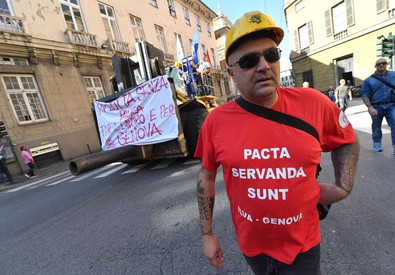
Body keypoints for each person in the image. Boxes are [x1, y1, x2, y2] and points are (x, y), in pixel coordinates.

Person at [195, 11, 359, 274]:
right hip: (252, 247)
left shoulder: (313, 103)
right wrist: (207, 234)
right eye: (249, 61)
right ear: (232, 73)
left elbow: (347, 140)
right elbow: (206, 179)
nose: (263, 66)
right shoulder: (216, 122)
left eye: (270, 55)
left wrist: (344, 186)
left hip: (302, 246)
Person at [361, 58, 395, 154]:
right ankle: (377, 143)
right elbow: (365, 95)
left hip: (391, 105)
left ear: (386, 64)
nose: (381, 65)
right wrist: (370, 108)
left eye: (383, 63)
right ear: (375, 66)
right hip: (376, 107)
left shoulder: (393, 75)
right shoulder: (368, 80)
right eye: (379, 64)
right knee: (376, 127)